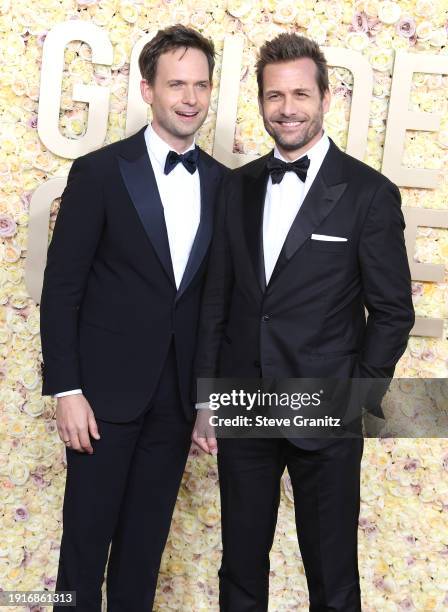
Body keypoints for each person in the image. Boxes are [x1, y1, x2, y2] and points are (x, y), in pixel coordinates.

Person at [193, 33, 414, 611]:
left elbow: (392, 311)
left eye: (299, 94)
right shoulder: (236, 188)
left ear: (324, 98)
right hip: (244, 402)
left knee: (332, 573)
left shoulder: (368, 193)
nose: (286, 108)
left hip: (325, 406)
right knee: (239, 568)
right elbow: (219, 300)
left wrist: (358, 396)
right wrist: (207, 398)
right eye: (274, 96)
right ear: (260, 102)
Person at [40, 24, 227, 611]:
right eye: (176, 84)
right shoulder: (99, 172)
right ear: (147, 89)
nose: (190, 98)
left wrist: (206, 399)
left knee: (143, 557)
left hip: (175, 404)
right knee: (82, 554)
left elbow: (215, 302)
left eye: (200, 85)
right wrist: (66, 389)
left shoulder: (225, 185)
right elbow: (61, 288)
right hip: (100, 402)